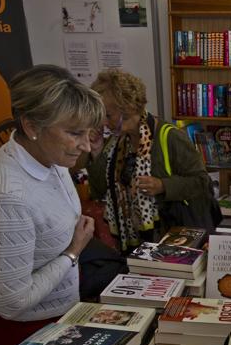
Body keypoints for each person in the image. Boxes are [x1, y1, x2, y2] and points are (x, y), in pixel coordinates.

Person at [0, 65, 105, 345]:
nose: (84, 145)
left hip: (59, 309)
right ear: (31, 126)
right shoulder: (7, 196)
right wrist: (72, 252)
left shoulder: (47, 153)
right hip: (24, 324)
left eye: (87, 132)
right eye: (74, 133)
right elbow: (11, 302)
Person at [86, 69, 219, 253]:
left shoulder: (170, 137)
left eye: (108, 115)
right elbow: (99, 190)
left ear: (128, 108)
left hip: (171, 240)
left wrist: (163, 186)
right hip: (132, 244)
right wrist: (97, 152)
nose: (103, 122)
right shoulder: (115, 141)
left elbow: (202, 183)